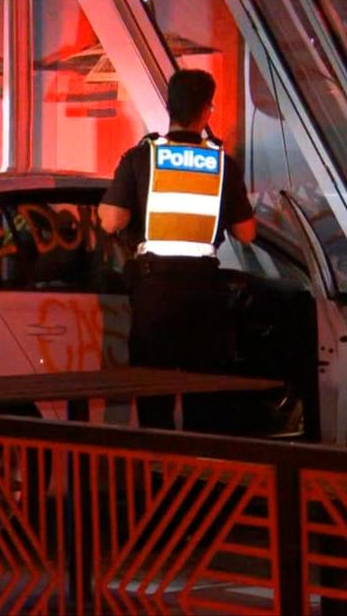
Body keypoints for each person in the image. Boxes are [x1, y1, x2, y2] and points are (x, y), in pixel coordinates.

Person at [99, 69, 256, 430]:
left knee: (155, 395)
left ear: (169, 108)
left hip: (155, 292)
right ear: (206, 111)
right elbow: (247, 234)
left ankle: (158, 476)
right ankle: (200, 475)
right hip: (203, 292)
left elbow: (110, 221)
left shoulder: (142, 158)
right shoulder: (221, 164)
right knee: (204, 396)